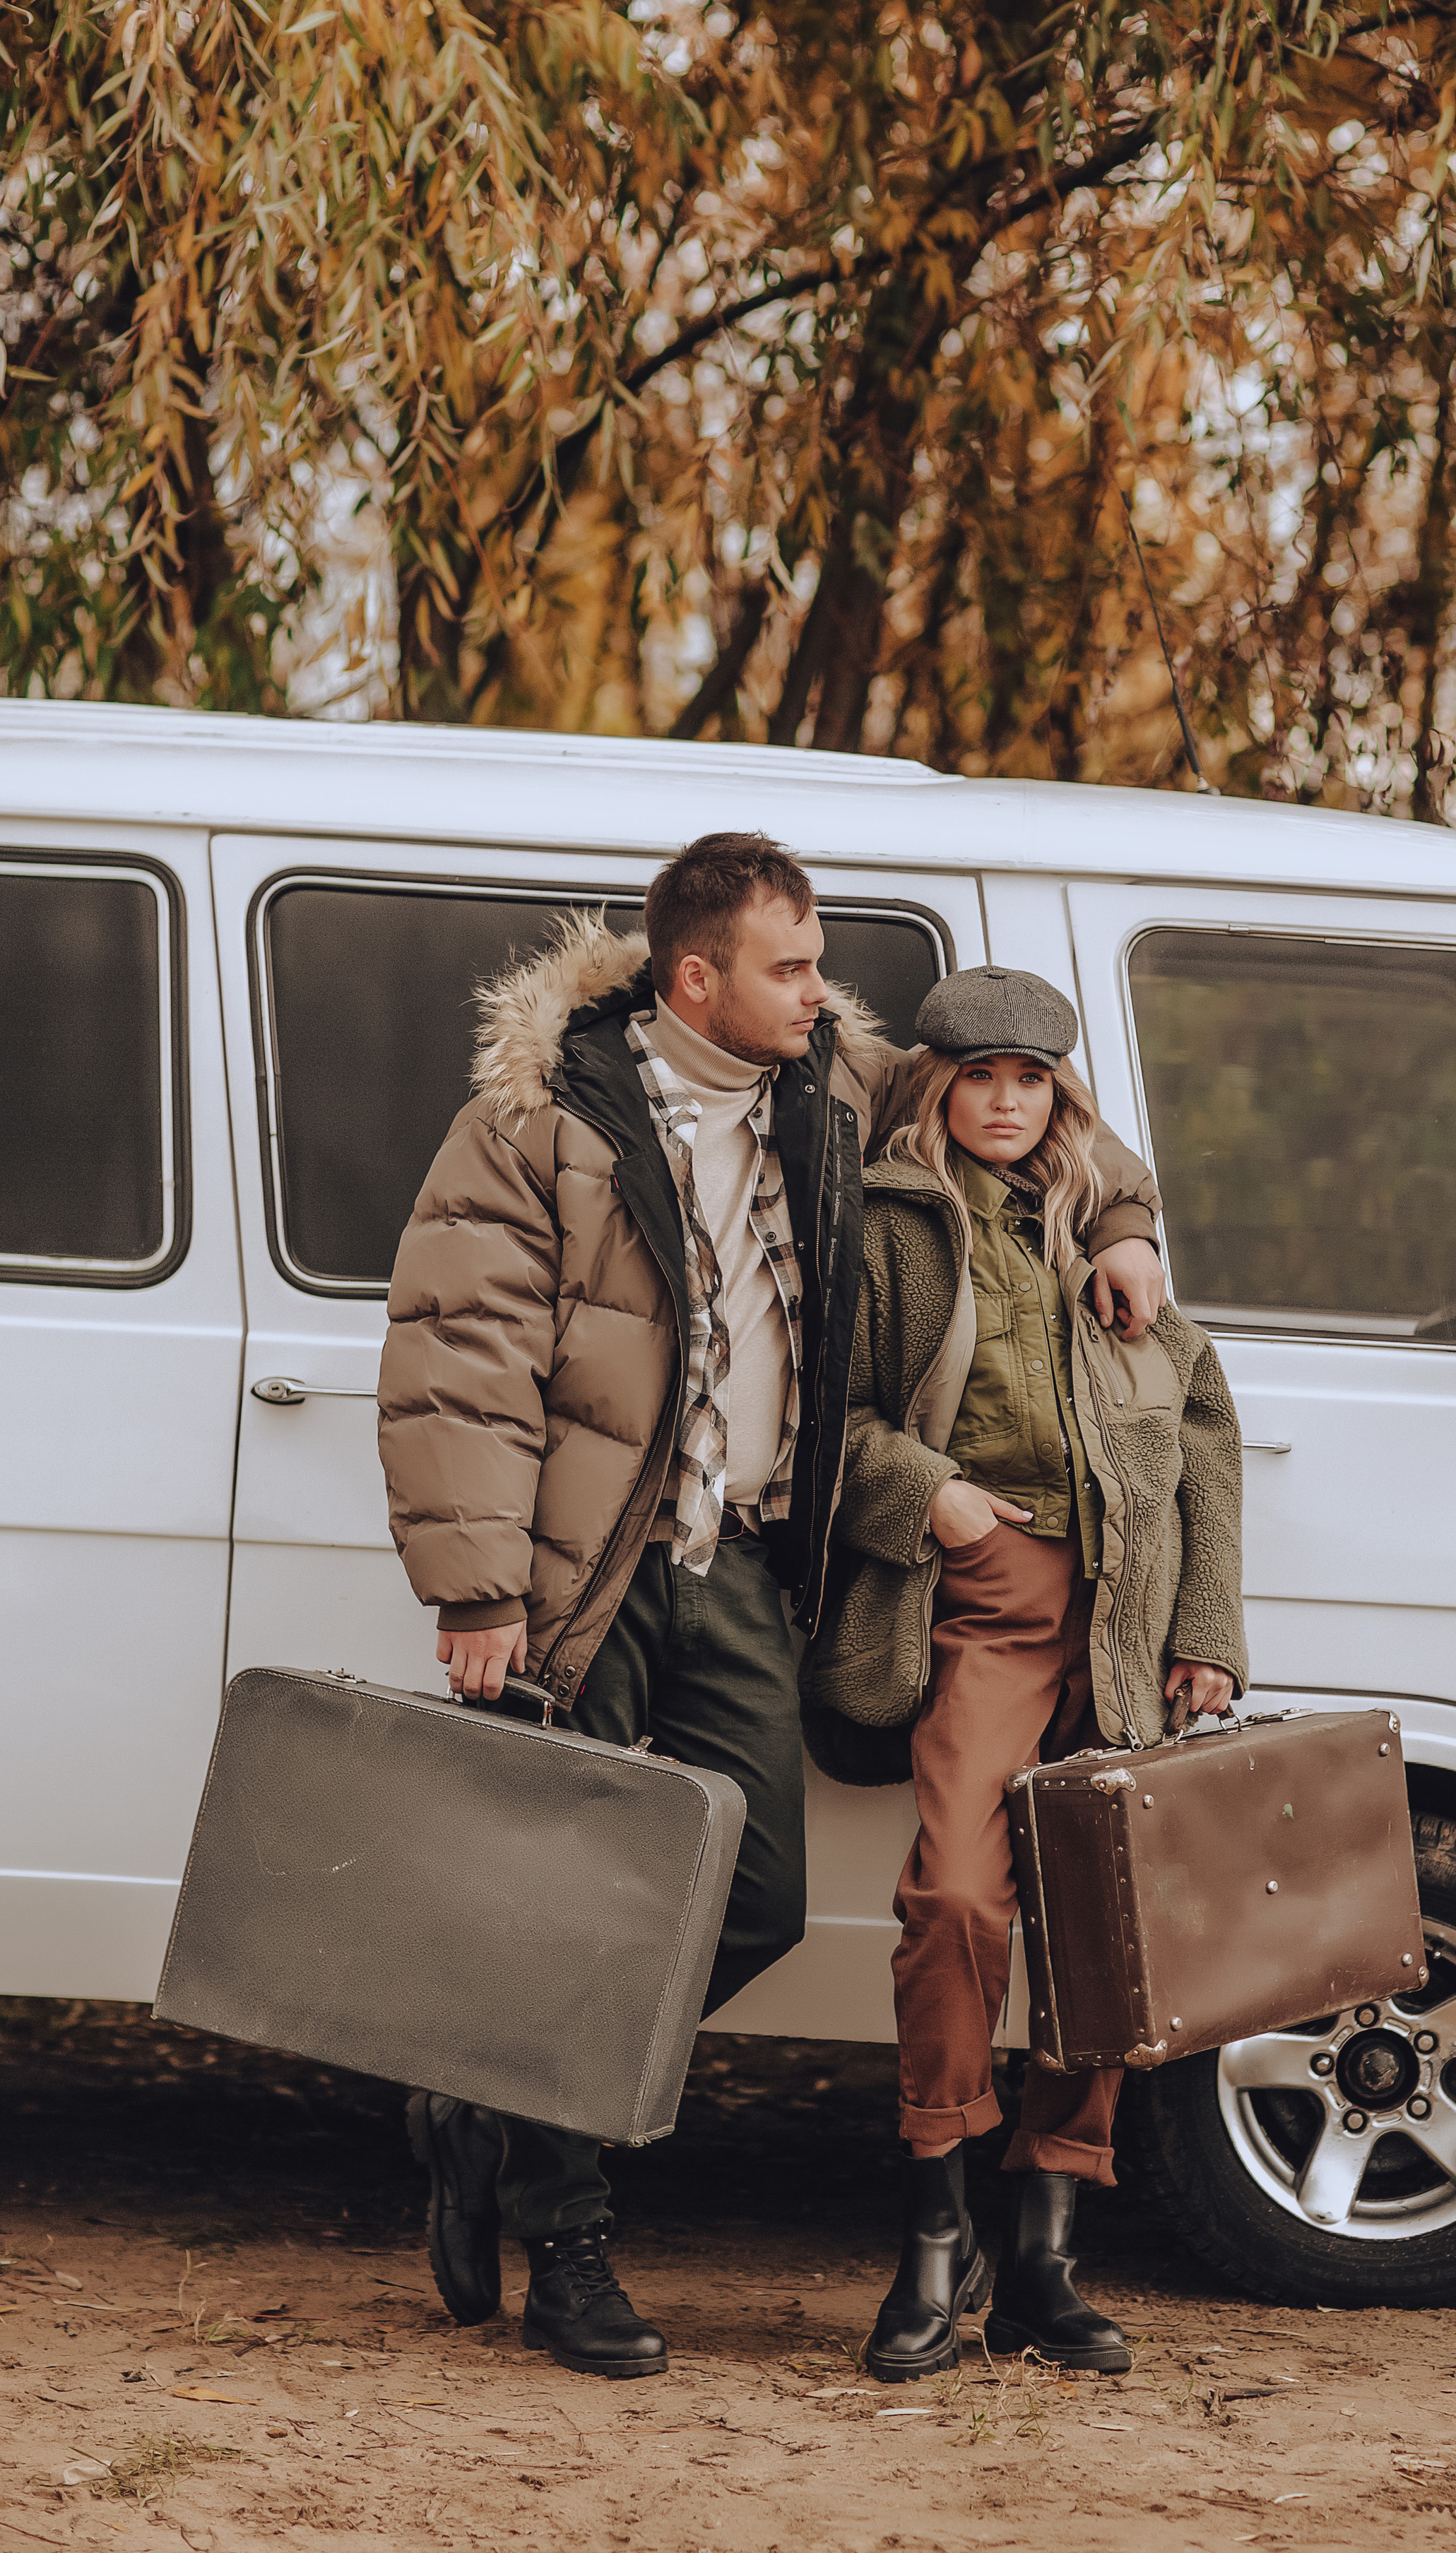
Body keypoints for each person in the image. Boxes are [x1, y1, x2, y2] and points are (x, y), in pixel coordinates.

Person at [376, 838, 1171, 2378]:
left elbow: (1032, 1117)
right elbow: (456, 1348)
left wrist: (1127, 1224)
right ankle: (572, 2248)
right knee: (579, 1894)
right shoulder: (538, 1119)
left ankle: (483, 2102)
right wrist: (473, 1588)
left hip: (740, 1563)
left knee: (745, 1894)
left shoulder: (830, 1086)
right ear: (697, 979)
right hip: (584, 1568)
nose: (821, 992)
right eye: (790, 966)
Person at [801, 965, 1247, 2381]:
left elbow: (1200, 1422)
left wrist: (1206, 1632)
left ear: (1060, 1096)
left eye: (1028, 1079)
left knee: (1106, 1920)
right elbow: (836, 1417)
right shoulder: (883, 1225)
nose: (1002, 1100)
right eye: (976, 1075)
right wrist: (921, 1492)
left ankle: (1046, 2244)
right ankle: (938, 2217)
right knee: (953, 1897)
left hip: (1126, 1608)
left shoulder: (1104, 1230)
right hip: (987, 1600)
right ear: (931, 1080)